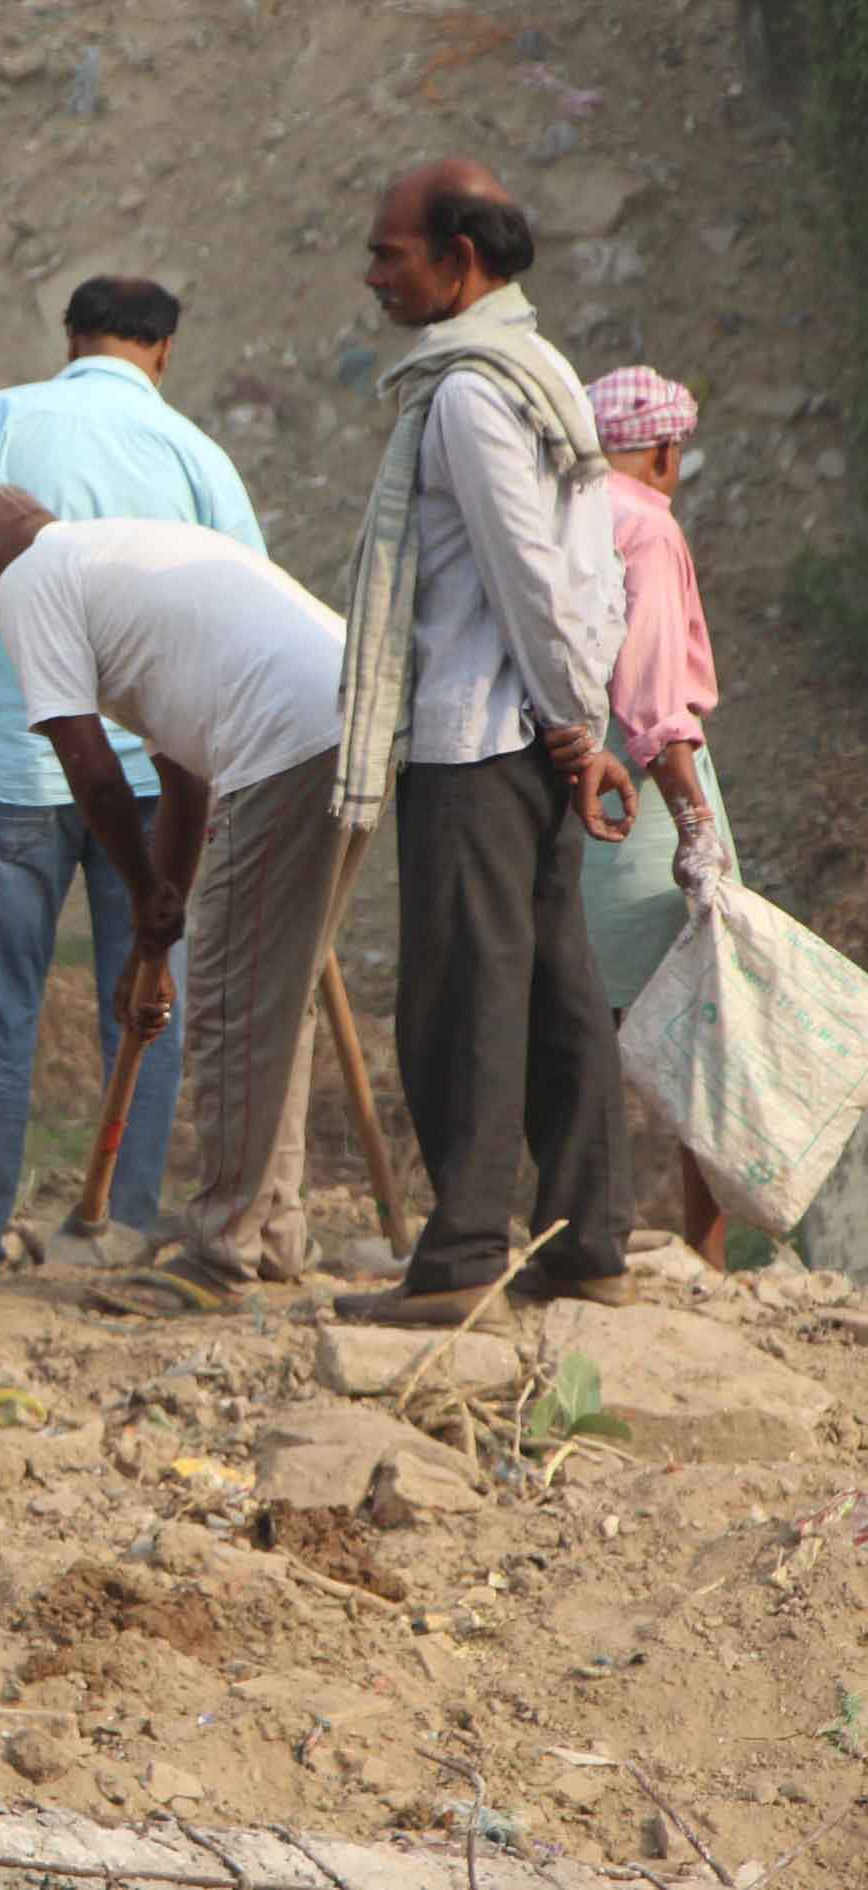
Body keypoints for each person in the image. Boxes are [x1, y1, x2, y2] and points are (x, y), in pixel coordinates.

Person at [0, 276, 265, 1291]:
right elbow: (244, 613)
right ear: (163, 353)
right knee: (144, 1004)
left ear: (70, 338)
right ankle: (119, 1242)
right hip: (154, 780)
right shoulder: (196, 458)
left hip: (16, 769)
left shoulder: (1, 421)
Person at [331, 160, 636, 1328]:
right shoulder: (542, 369)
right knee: (556, 988)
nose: (372, 275)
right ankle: (583, 1243)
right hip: (542, 739)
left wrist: (572, 722)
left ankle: (460, 1258)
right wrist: (581, 723)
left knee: (464, 998)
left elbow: (523, 574)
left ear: (459, 261)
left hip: (477, 742)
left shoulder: (464, 391)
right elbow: (590, 569)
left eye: (389, 253)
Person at [0, 488, 365, 1315]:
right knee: (278, 995)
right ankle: (271, 1234)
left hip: (288, 736)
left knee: (232, 1004)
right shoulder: (109, 559)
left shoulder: (26, 583)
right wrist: (153, 921)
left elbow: (88, 766)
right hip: (349, 712)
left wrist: (139, 892)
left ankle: (220, 1253)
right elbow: (181, 779)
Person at [578, 365, 733, 1271]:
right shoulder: (645, 524)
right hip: (646, 781)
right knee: (692, 1017)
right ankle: (704, 1253)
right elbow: (651, 694)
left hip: (567, 778)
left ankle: (585, 1227)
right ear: (666, 450)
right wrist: (694, 823)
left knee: (583, 1014)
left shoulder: (559, 512)